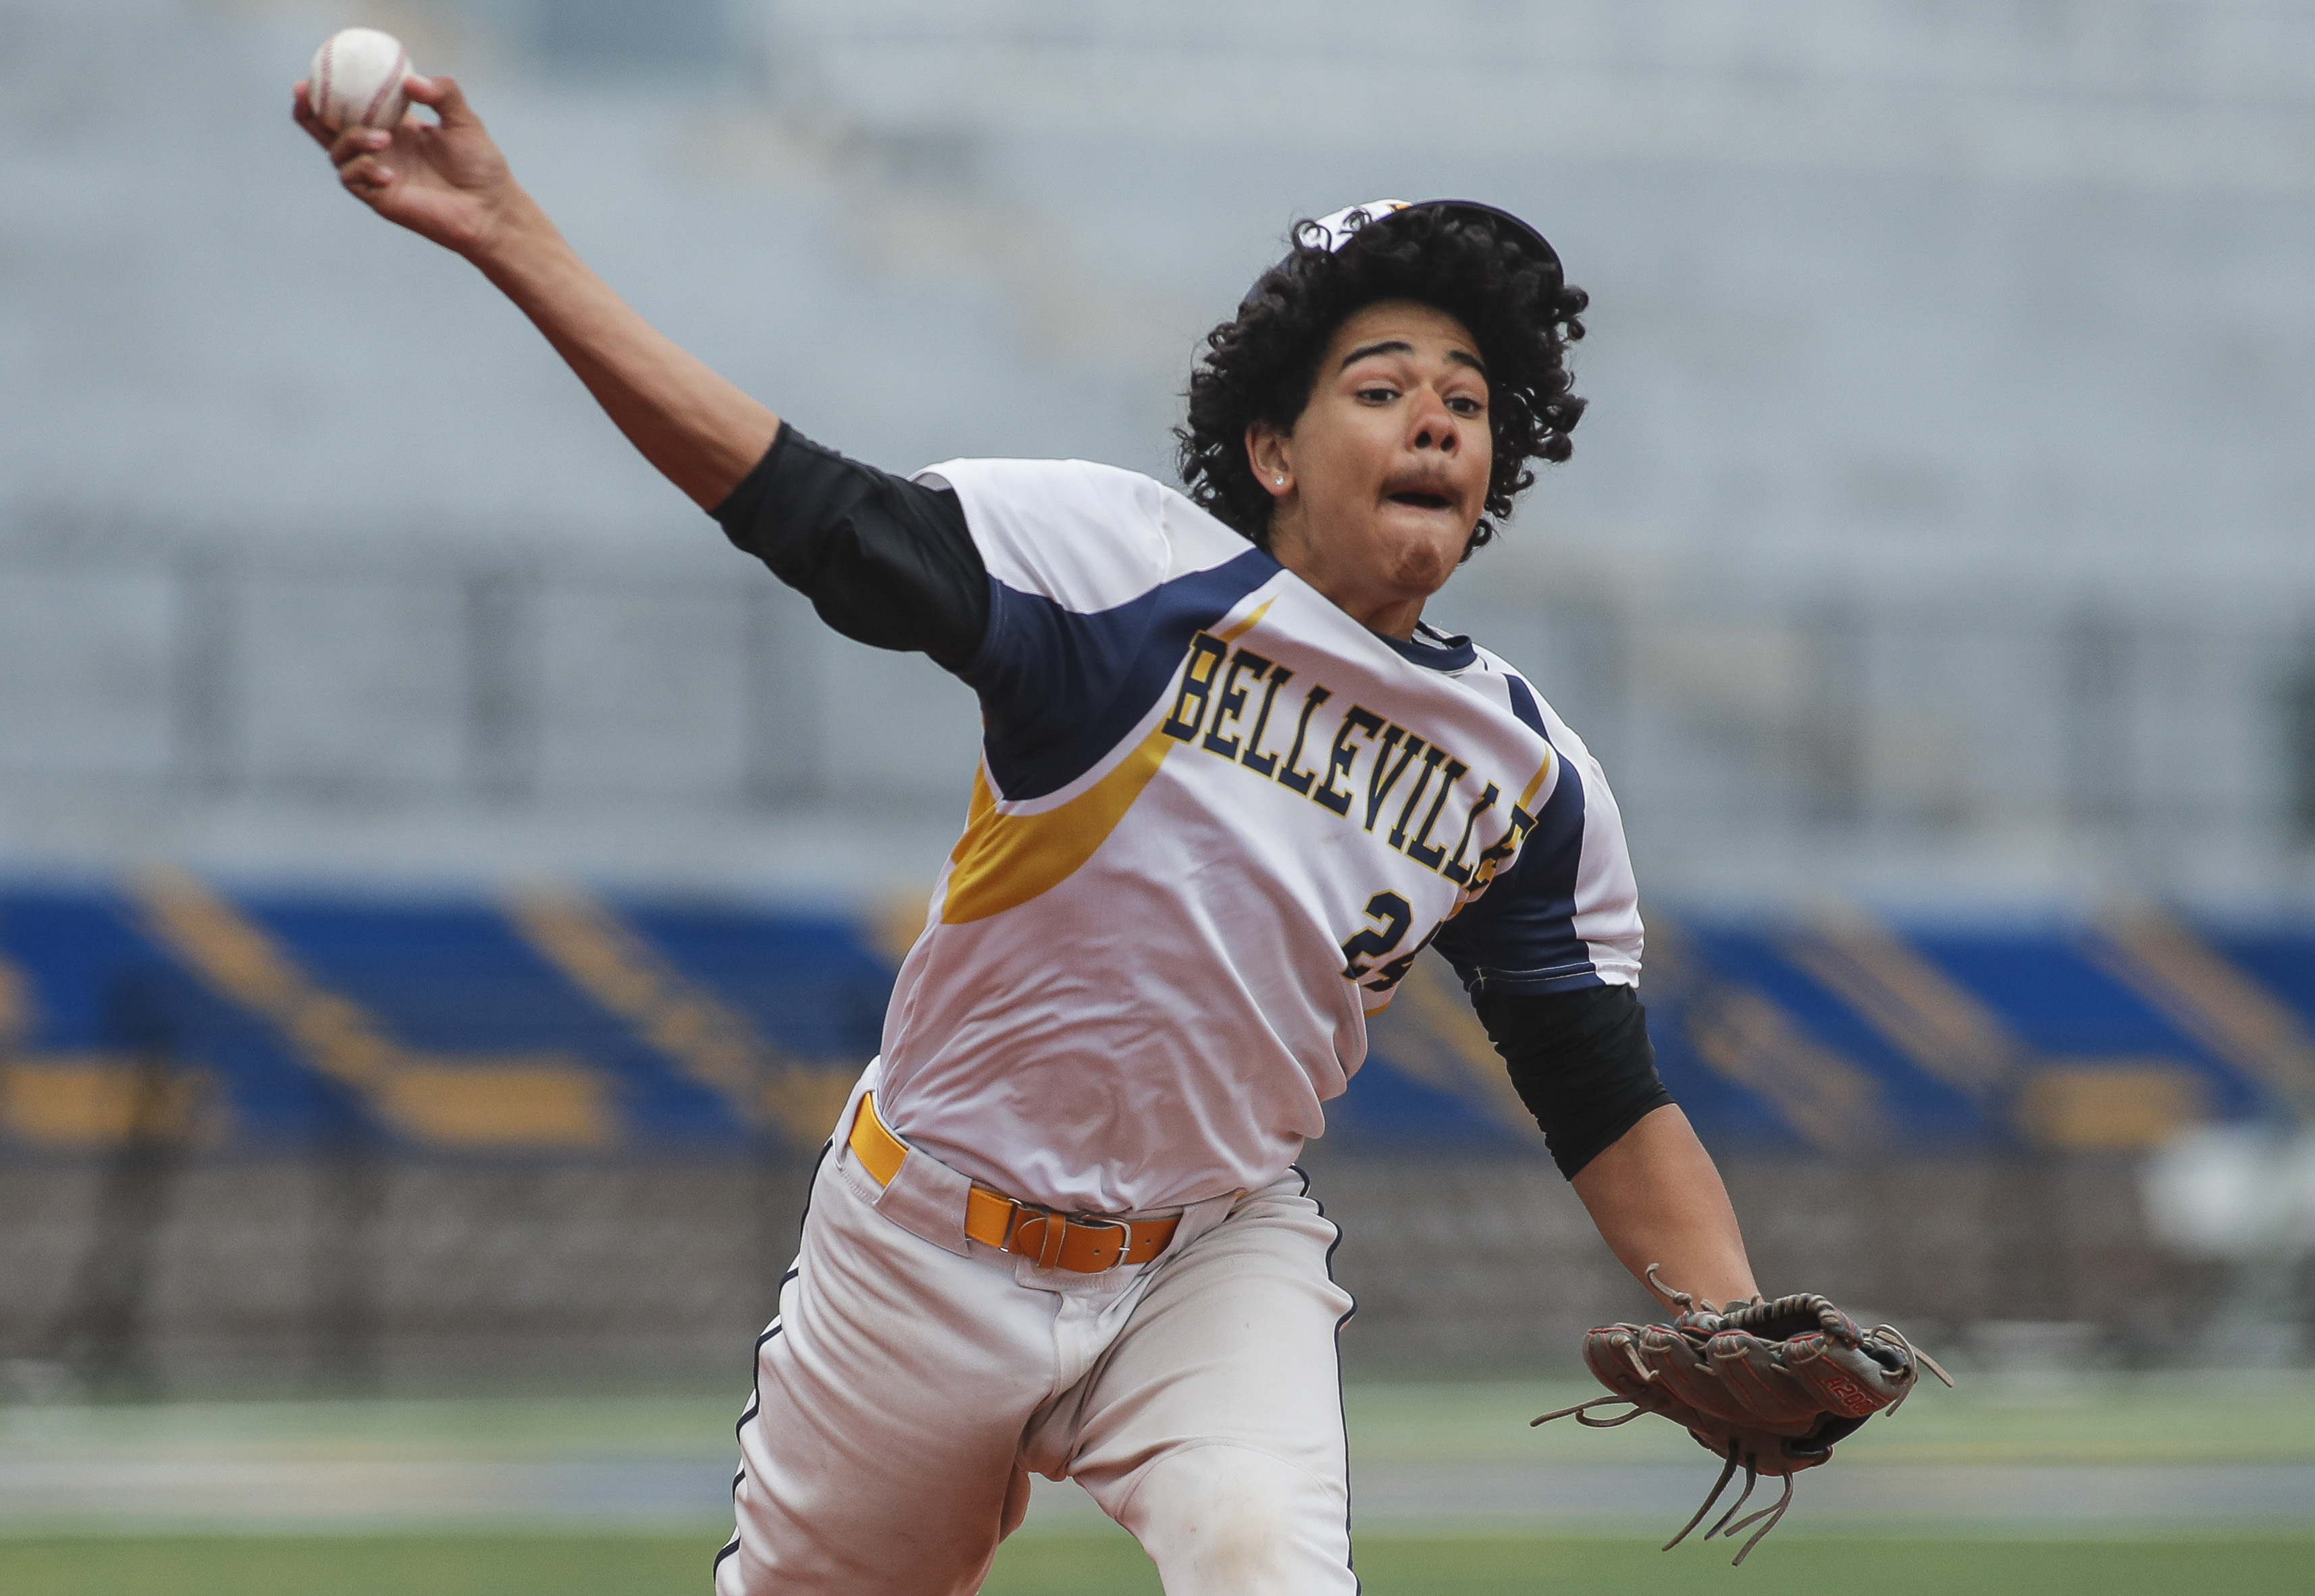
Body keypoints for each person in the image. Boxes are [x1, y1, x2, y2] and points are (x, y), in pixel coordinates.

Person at [298, 70, 1763, 1596]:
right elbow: (812, 512)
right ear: (1273, 450)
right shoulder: (1122, 577)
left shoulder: (1521, 775)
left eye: (1467, 400)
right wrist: (512, 236)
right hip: (922, 1248)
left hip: (1206, 1258)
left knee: (1262, 1557)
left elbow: (1599, 1089)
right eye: (1382, 388)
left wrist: (1728, 1316)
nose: (1436, 421)